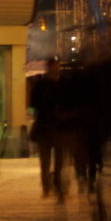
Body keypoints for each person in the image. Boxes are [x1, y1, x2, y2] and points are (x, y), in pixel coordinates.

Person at [30, 58, 66, 200]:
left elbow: (34, 104)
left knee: (55, 163)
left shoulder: (43, 84)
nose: (56, 68)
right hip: (50, 127)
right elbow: (35, 103)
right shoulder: (51, 84)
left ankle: (53, 187)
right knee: (49, 162)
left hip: (52, 127)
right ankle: (50, 187)